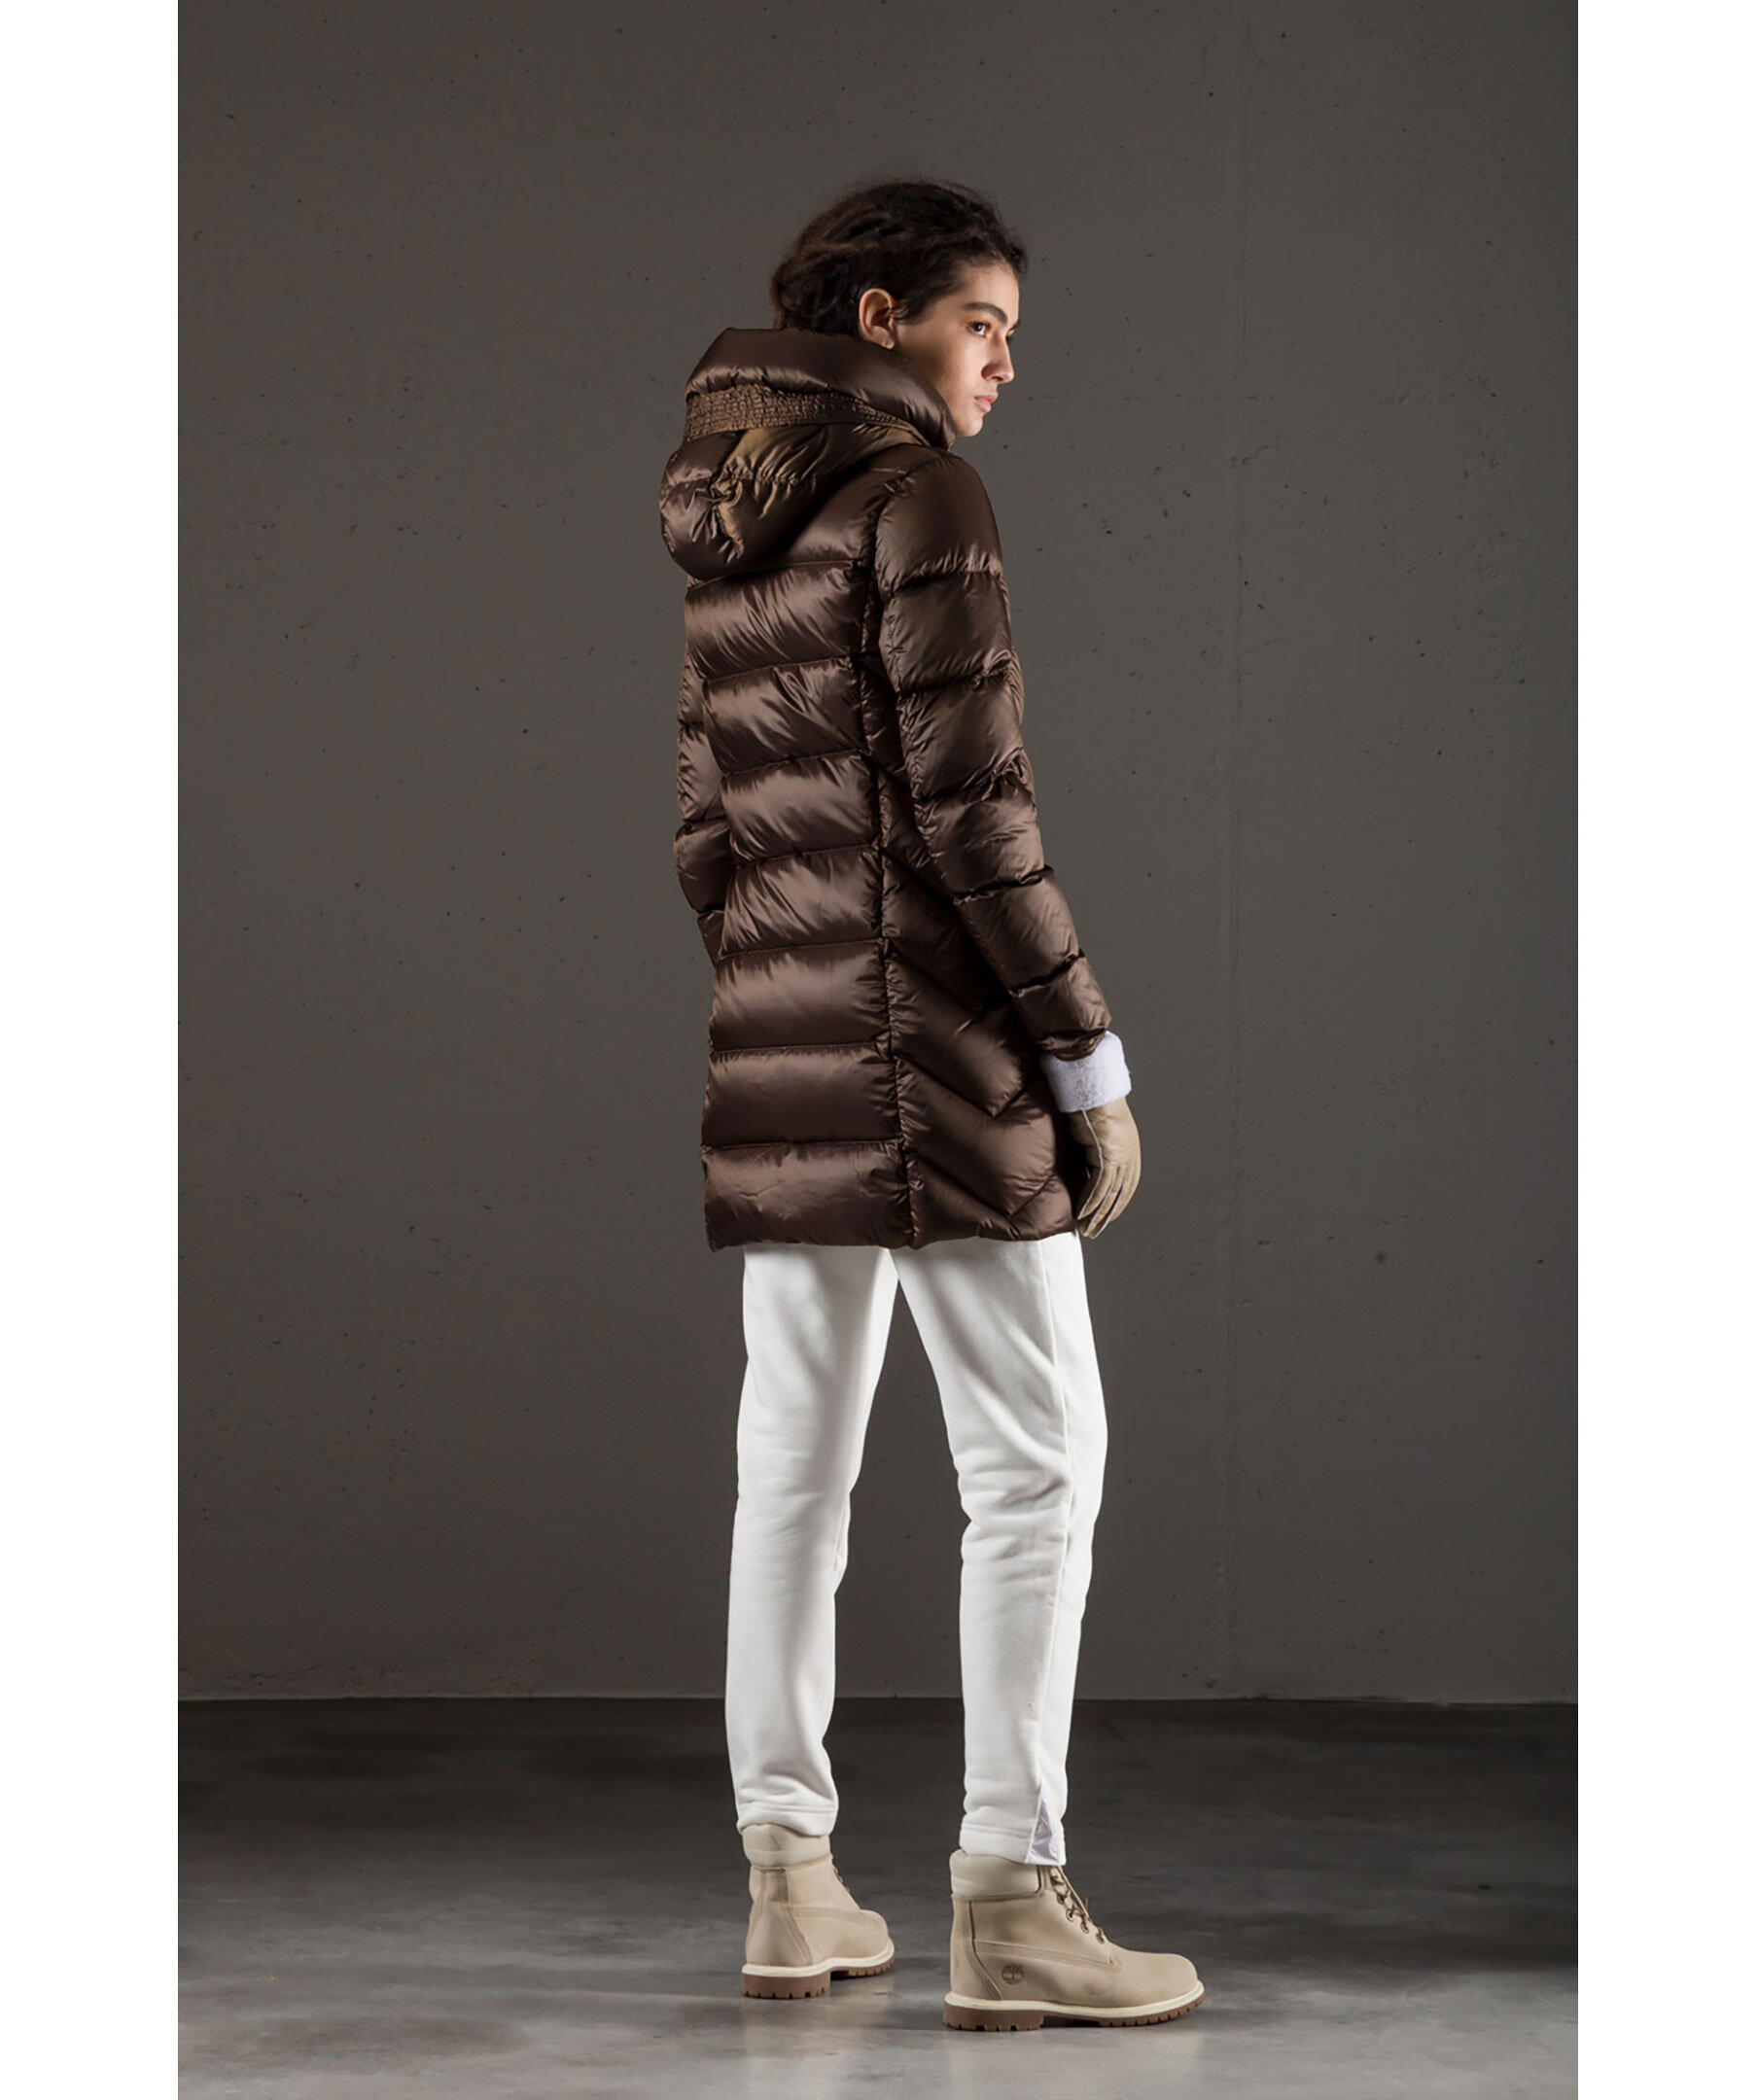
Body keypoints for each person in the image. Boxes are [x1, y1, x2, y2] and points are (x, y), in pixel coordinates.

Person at [656, 177, 1204, 2033]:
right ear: (881, 319)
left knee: (789, 1472)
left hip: (781, 1045)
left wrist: (791, 996)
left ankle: (788, 1885)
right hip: (944, 1058)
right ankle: (1010, 1899)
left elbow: (709, 830)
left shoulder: (725, 510)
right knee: (1035, 1471)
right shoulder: (917, 496)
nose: (1005, 367)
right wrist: (1085, 1059)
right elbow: (977, 815)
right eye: (985, 325)